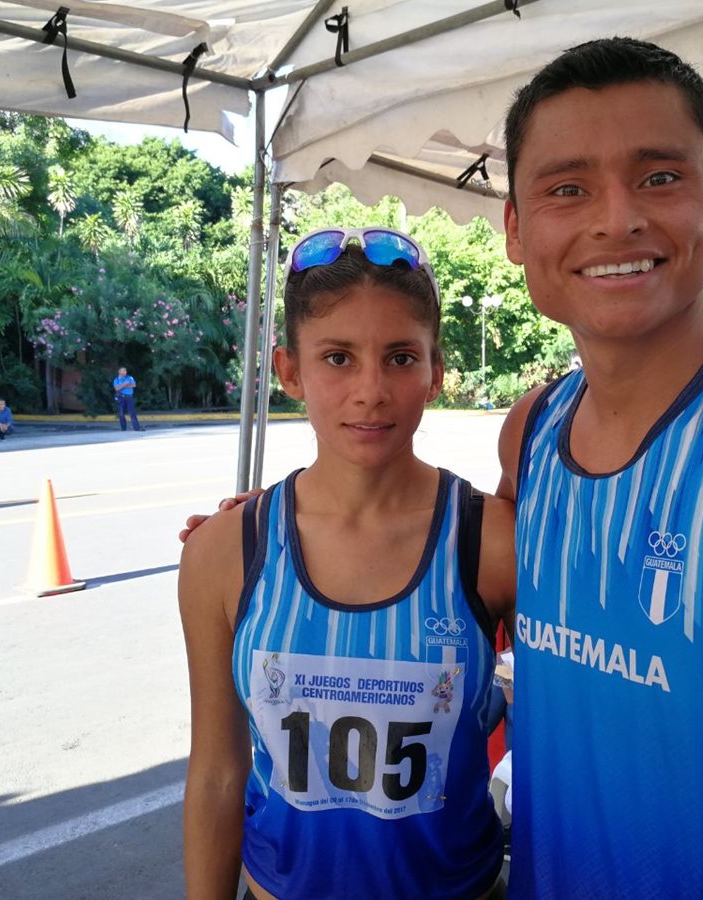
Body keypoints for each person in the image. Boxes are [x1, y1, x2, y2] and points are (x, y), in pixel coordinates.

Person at [184, 37, 703, 899]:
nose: (616, 219)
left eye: (659, 177)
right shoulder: (533, 432)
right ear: (517, 230)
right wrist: (268, 534)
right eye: (568, 188)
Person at [177, 227, 516, 900]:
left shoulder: (494, 543)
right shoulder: (224, 553)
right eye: (337, 358)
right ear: (289, 371)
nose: (371, 390)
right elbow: (218, 769)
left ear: (435, 371)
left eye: (399, 358)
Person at [113, 366, 144, 432]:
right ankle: (123, 428)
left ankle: (136, 428)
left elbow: (134, 385)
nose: (125, 372)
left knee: (132, 413)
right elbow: (117, 389)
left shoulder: (130, 378)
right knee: (121, 413)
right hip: (121, 397)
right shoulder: (116, 380)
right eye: (123, 371)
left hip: (129, 397)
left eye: (125, 371)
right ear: (119, 371)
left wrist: (122, 386)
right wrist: (125, 384)